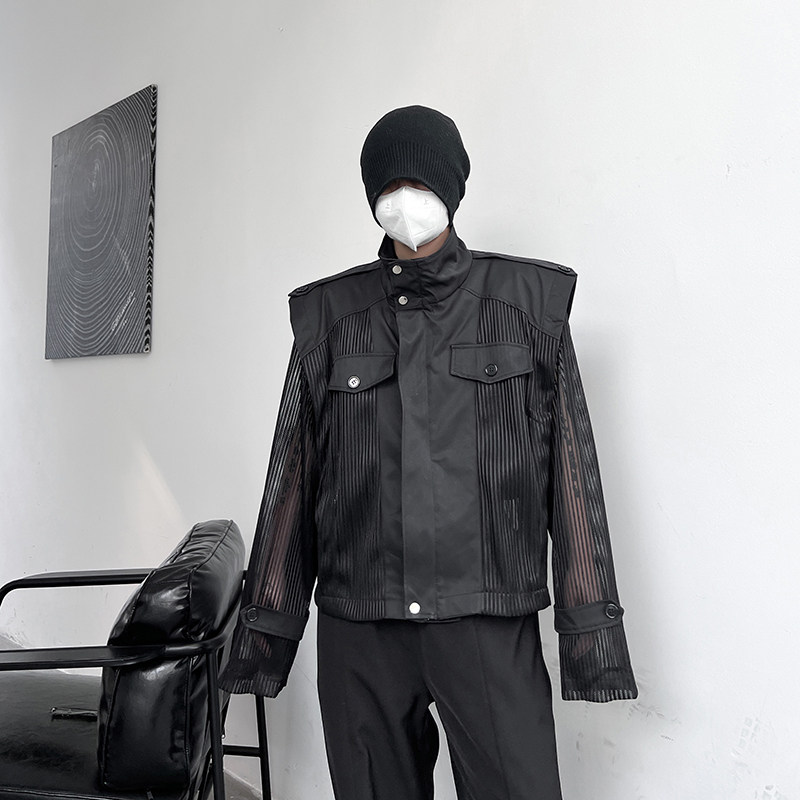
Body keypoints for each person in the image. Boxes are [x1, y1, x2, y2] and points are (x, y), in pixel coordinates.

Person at [220, 105, 637, 800]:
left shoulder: (526, 306)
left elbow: (572, 474)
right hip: (361, 628)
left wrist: (589, 630)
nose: (404, 200)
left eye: (419, 182)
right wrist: (267, 631)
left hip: (486, 619)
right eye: (388, 186)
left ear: (453, 186)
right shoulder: (332, 316)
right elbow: (294, 475)